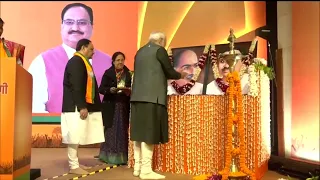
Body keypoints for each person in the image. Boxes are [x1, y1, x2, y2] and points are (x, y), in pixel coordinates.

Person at [28, 3, 112, 113]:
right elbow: (35, 108)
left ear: (92, 27)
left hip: (100, 127)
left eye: (82, 22)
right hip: (59, 127)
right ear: (61, 26)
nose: (75, 28)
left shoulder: (109, 62)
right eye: (69, 22)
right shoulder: (41, 62)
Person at [130, 31, 188, 179]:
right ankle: (146, 171)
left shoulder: (140, 51)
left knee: (138, 134)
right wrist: (180, 74)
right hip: (152, 97)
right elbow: (169, 71)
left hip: (137, 97)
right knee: (149, 133)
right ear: (161, 41)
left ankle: (137, 167)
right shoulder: (159, 50)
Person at [61, 38, 104, 175]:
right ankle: (73, 166)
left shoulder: (82, 62)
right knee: (74, 136)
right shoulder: (76, 62)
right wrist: (82, 106)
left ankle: (76, 163)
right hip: (74, 107)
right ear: (83, 48)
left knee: (77, 135)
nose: (93, 52)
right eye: (91, 49)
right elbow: (77, 86)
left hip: (77, 106)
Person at [98, 51, 132, 165]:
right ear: (113, 61)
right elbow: (101, 89)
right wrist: (110, 90)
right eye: (118, 60)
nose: (120, 62)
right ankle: (108, 156)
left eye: (122, 60)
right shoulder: (108, 73)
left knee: (122, 131)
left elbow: (132, 88)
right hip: (111, 105)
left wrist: (129, 91)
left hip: (123, 106)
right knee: (110, 131)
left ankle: (122, 156)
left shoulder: (128, 74)